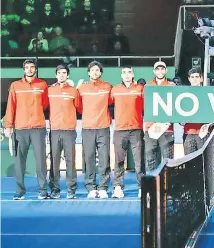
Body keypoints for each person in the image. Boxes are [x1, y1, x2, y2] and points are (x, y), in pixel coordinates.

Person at [4, 59, 49, 200]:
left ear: (35, 69)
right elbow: (10, 107)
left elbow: (45, 104)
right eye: (27, 67)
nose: (29, 69)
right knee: (19, 161)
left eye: (32, 67)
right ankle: (20, 190)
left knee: (41, 160)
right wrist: (8, 126)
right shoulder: (15, 85)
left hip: (38, 128)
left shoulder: (42, 85)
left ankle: (42, 189)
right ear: (23, 69)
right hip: (21, 128)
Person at [78, 61, 113, 199]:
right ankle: (91, 187)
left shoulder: (107, 87)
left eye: (97, 70)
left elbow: (111, 102)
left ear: (100, 73)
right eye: (92, 70)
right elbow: (78, 106)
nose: (95, 72)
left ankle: (103, 187)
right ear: (88, 72)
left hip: (103, 127)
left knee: (104, 158)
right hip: (87, 128)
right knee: (89, 159)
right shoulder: (82, 88)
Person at [48, 65, 82, 199]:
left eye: (64, 73)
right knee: (54, 161)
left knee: (70, 161)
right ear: (56, 75)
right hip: (54, 130)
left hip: (69, 131)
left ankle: (71, 190)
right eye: (59, 73)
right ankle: (55, 190)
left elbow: (79, 108)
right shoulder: (49, 90)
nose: (61, 75)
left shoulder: (74, 91)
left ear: (67, 75)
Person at [110, 65, 144, 199]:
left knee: (139, 161)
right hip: (120, 130)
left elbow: (147, 106)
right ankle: (118, 187)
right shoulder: (115, 90)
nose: (127, 75)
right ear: (121, 75)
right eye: (124, 72)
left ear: (133, 74)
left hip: (136, 129)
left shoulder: (140, 89)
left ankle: (142, 187)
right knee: (119, 161)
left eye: (129, 72)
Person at [144, 61, 175, 172]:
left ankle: (167, 186)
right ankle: (151, 186)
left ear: (166, 71)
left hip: (167, 128)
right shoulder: (147, 86)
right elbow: (144, 105)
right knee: (150, 157)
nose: (160, 71)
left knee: (168, 159)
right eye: (158, 69)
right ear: (154, 71)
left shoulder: (172, 86)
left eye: (162, 69)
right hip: (151, 127)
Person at [183, 68, 208, 154]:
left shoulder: (208, 93)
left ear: (201, 78)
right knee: (189, 161)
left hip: (203, 132)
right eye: (192, 77)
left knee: (204, 160)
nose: (194, 79)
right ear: (189, 79)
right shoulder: (183, 94)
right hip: (188, 131)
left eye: (197, 77)